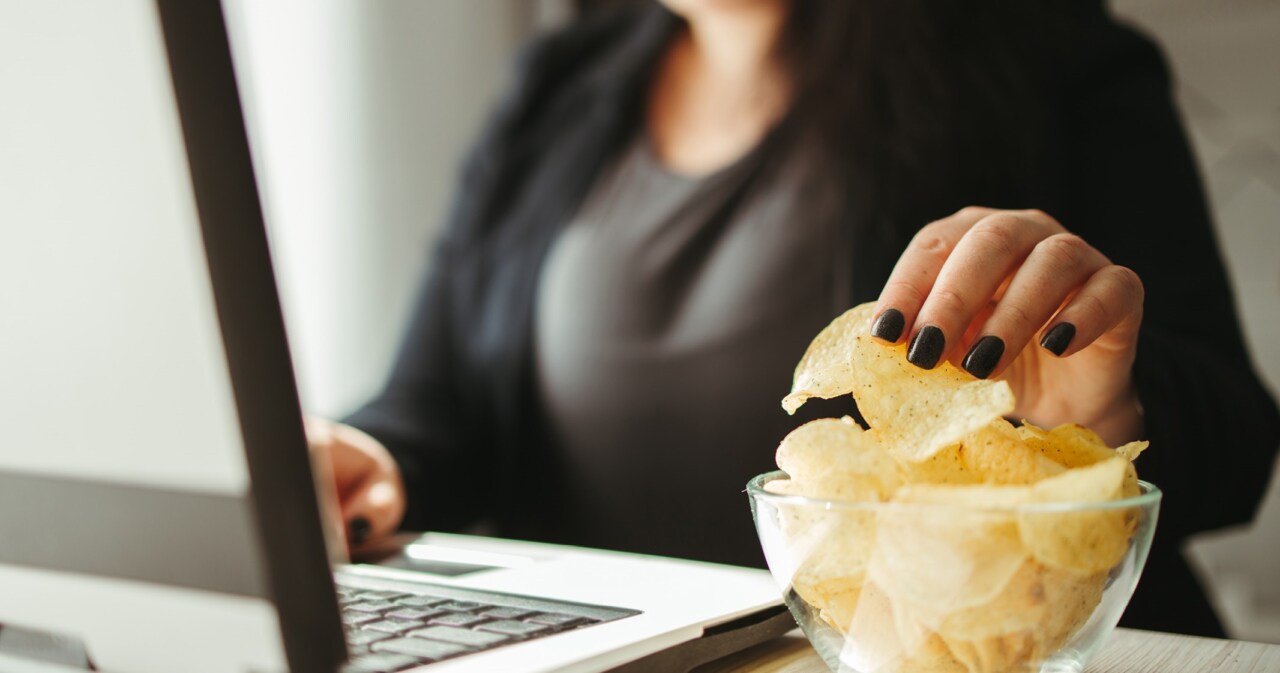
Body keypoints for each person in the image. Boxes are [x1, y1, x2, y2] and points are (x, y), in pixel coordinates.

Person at [307, 0, 1280, 637]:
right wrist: (373, 458)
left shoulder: (1056, 58)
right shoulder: (556, 84)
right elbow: (436, 400)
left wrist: (1099, 409)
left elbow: (1235, 438)